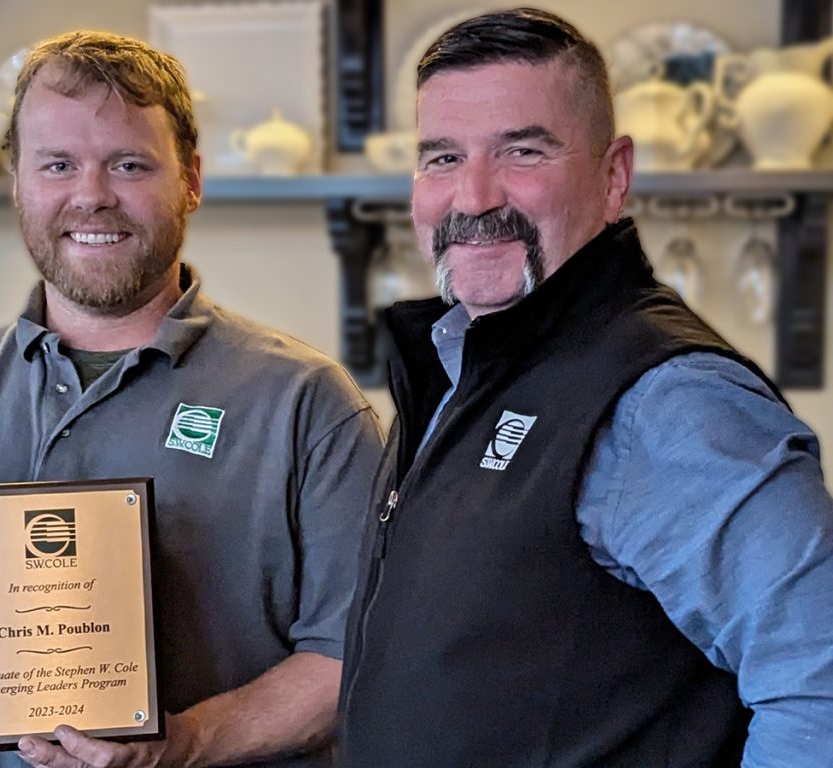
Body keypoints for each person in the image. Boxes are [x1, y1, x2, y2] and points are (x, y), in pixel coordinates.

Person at [0, 30, 383, 768]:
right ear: (18, 182)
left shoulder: (305, 404)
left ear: (192, 180)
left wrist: (191, 741)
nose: (91, 195)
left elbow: (356, 655)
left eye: (129, 164)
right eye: (57, 165)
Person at [337, 8, 833, 768]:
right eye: (442, 159)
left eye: (522, 151)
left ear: (614, 176)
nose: (472, 198)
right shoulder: (464, 361)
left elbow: (818, 685)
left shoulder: (670, 397)